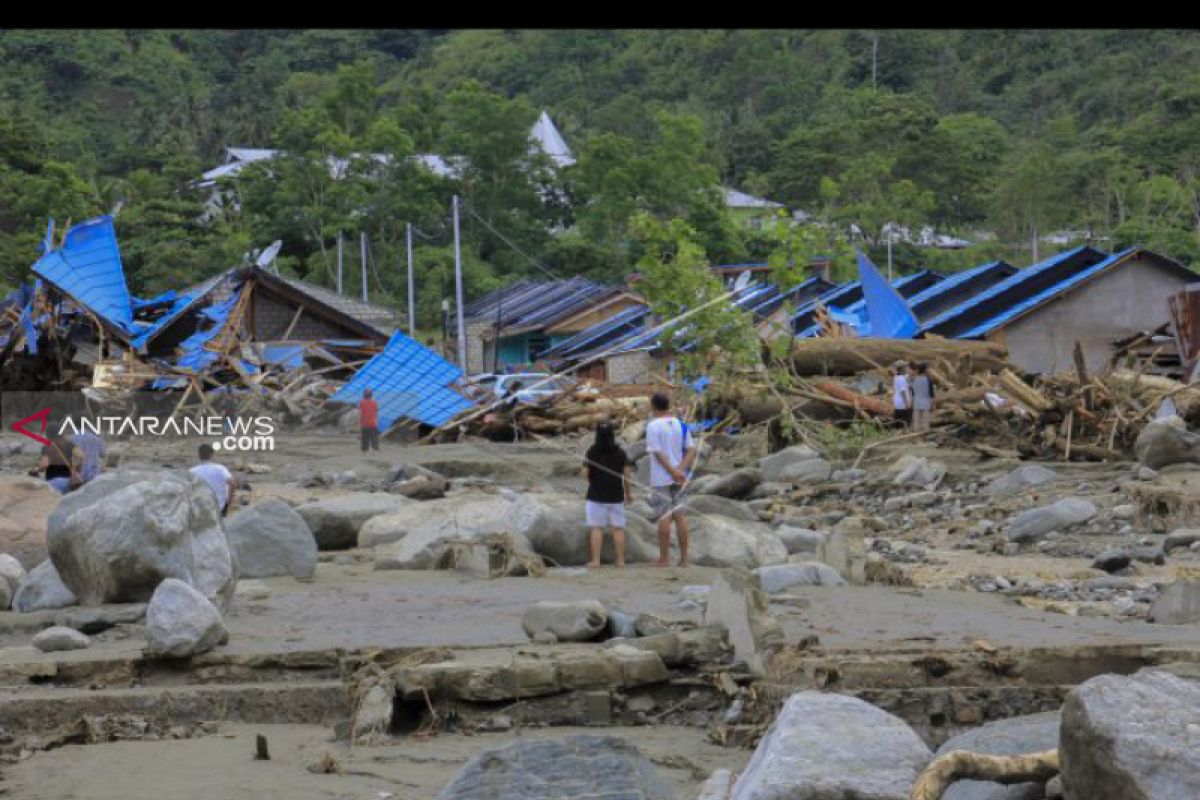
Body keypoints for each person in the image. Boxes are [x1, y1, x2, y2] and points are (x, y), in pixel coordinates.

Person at [646, 392, 695, 567]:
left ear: (653, 406)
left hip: (661, 478)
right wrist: (680, 470)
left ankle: (664, 559)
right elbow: (691, 450)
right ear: (668, 405)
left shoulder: (653, 426)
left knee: (664, 516)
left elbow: (657, 453)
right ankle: (684, 559)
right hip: (681, 477)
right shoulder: (681, 425)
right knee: (681, 516)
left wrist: (672, 471)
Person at [583, 421, 633, 568]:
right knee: (618, 528)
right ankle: (620, 560)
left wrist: (591, 479)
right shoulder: (621, 452)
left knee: (596, 528)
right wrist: (629, 494)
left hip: (596, 494)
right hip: (616, 495)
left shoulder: (592, 451)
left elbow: (585, 473)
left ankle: (596, 561)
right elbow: (627, 476)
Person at [191, 443, 237, 515]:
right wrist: (229, 502)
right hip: (219, 507)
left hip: (200, 509)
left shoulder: (192, 471)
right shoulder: (220, 468)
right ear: (211, 454)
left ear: (199, 455)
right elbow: (232, 483)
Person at [911, 362, 934, 432]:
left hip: (916, 402)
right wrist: (932, 404)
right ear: (925, 370)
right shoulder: (928, 380)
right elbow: (931, 394)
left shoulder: (914, 379)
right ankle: (924, 436)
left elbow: (913, 393)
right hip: (925, 402)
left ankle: (915, 437)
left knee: (916, 422)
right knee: (925, 423)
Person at [892, 361, 912, 429]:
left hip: (897, 402)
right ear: (902, 369)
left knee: (898, 421)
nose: (907, 369)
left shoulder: (896, 377)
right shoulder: (901, 379)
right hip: (902, 403)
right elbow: (903, 392)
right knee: (905, 422)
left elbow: (907, 376)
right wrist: (907, 403)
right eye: (905, 367)